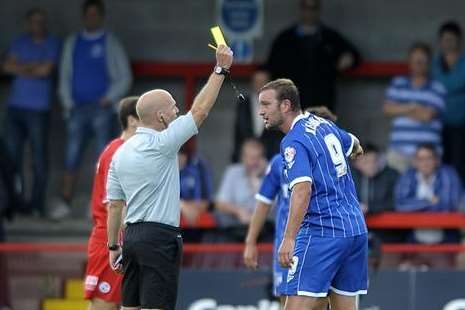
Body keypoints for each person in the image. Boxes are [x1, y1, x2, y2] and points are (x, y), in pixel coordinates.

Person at [106, 45, 233, 310]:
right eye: (174, 108)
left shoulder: (120, 153)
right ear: (161, 116)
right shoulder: (163, 144)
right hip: (159, 238)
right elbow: (199, 112)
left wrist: (113, 247)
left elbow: (115, 205)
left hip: (129, 238)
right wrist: (220, 70)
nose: (178, 112)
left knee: (130, 308)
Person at [258, 78, 367, 310]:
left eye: (266, 104)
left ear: (285, 105)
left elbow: (302, 190)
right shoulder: (322, 124)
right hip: (355, 229)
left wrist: (288, 238)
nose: (260, 111)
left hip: (323, 232)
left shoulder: (293, 140)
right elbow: (354, 144)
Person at [243, 106, 338, 305]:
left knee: (324, 300)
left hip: (325, 241)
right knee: (287, 299)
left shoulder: (335, 165)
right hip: (289, 243)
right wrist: (251, 241)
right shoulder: (281, 162)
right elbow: (263, 202)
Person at [54, 0, 132, 219]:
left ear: (102, 17)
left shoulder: (110, 42)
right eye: (87, 15)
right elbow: (65, 75)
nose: (91, 19)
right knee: (71, 156)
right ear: (83, 17)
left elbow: (124, 76)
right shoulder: (73, 42)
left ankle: (97, 204)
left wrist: (110, 98)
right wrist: (67, 103)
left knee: (102, 159)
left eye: (95, 15)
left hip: (101, 110)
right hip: (77, 109)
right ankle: (65, 202)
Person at [2, 8, 60, 217]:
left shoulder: (52, 43)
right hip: (15, 108)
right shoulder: (20, 41)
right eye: (34, 22)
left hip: (39, 109)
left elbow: (45, 70)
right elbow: (6, 67)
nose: (38, 25)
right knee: (11, 159)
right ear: (28, 24)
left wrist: (21, 67)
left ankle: (36, 205)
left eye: (41, 22)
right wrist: (31, 68)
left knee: (38, 159)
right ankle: (14, 204)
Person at [84, 97, 140, 310]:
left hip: (124, 239)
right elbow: (113, 204)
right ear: (133, 120)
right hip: (110, 238)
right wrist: (117, 242)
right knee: (103, 306)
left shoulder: (128, 151)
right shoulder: (117, 152)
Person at [266, 0, 360, 111]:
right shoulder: (285, 39)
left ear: (318, 10)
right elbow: (271, 66)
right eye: (306, 8)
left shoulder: (329, 37)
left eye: (313, 8)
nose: (309, 12)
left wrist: (348, 58)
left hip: (322, 102)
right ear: (301, 9)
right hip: (291, 102)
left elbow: (354, 55)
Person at [383, 42, 446, 173]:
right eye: (415, 60)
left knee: (426, 193)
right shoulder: (398, 83)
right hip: (398, 153)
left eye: (422, 61)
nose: (418, 64)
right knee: (397, 193)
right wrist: (413, 107)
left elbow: (427, 116)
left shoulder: (438, 88)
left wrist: (400, 109)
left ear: (429, 63)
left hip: (428, 156)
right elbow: (387, 109)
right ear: (409, 62)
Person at [432, 21, 465, 182]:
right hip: (437, 125)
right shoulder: (435, 63)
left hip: (461, 126)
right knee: (440, 164)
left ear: (459, 41)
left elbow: (450, 84)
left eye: (452, 39)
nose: (448, 43)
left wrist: (442, 86)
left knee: (459, 165)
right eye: (445, 39)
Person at [215, 138, 268, 235]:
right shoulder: (233, 172)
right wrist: (238, 211)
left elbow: (272, 208)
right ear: (243, 157)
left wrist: (255, 179)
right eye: (251, 158)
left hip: (264, 231)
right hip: (235, 228)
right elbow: (220, 204)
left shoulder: (270, 173)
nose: (254, 162)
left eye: (258, 157)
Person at [232, 68, 283, 161]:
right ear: (252, 83)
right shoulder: (243, 104)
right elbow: (238, 132)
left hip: (270, 157)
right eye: (257, 81)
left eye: (263, 82)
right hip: (247, 158)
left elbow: (278, 132)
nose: (260, 85)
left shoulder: (277, 104)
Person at [178, 145, 213, 227]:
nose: (178, 158)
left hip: (198, 215)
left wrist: (189, 208)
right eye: (175, 154)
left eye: (181, 154)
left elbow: (206, 203)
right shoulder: (162, 171)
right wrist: (182, 206)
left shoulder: (199, 167)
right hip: (172, 219)